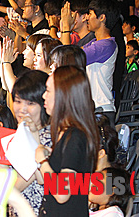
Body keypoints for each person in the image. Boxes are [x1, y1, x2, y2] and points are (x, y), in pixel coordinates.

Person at [36, 65, 100, 216]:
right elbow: (44, 180)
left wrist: (42, 162)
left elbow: (62, 193)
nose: (44, 96)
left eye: (49, 91)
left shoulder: (76, 137)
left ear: (64, 95)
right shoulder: (64, 132)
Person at [10, 70, 51, 215]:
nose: (22, 109)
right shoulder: (24, 131)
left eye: (30, 103)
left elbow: (15, 187)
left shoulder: (48, 138)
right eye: (18, 101)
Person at [83, 0, 120, 126]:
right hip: (93, 109)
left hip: (101, 110)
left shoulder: (106, 45)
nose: (87, 17)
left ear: (102, 17)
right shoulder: (94, 43)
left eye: (90, 14)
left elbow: (69, 57)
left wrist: (65, 27)